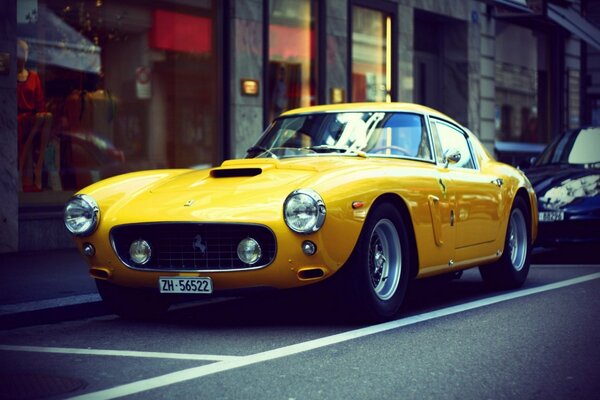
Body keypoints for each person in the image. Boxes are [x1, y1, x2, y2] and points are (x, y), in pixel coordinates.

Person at [17, 39, 53, 191]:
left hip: (33, 118)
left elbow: (40, 102)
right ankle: (20, 171)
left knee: (47, 116)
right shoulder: (9, 76)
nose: (21, 56)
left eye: (23, 53)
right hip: (17, 119)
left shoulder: (33, 77)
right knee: (39, 120)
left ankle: (38, 168)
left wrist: (42, 113)